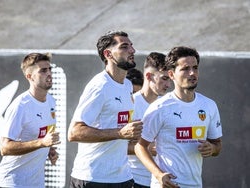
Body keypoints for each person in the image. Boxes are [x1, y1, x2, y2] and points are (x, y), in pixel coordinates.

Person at [134, 46, 223, 188]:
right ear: (171, 74)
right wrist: (158, 174)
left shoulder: (209, 105)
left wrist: (211, 148)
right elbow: (140, 147)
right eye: (185, 69)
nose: (192, 73)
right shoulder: (159, 108)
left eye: (195, 67)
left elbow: (217, 144)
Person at [67, 30, 143, 188]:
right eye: (124, 47)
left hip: (122, 178)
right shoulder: (99, 86)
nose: (132, 51)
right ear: (108, 54)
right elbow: (74, 132)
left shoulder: (128, 85)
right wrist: (120, 133)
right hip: (93, 178)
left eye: (131, 46)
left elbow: (115, 124)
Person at [0, 53, 60, 188]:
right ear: (29, 76)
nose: (49, 73)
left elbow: (42, 136)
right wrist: (42, 143)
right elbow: (5, 147)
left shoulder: (51, 101)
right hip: (12, 183)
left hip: (36, 184)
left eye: (49, 69)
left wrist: (50, 150)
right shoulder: (20, 106)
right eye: (43, 70)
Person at [128, 52, 170, 188]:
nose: (168, 84)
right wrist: (145, 147)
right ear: (148, 76)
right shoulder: (130, 103)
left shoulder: (167, 105)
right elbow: (114, 146)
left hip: (160, 181)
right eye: (164, 78)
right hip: (133, 179)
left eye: (169, 79)